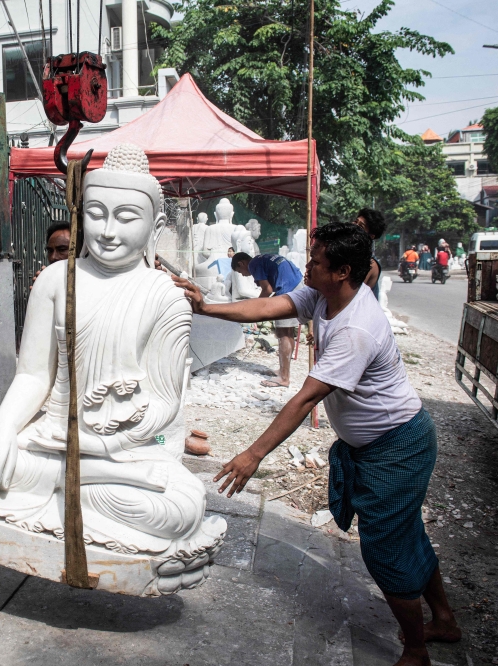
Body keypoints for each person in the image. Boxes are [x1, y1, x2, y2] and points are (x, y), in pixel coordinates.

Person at [173, 222, 460, 666]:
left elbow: (306, 397)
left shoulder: (356, 328)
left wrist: (252, 454)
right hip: (377, 444)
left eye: (315, 260)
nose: (306, 265)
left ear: (342, 270)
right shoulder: (325, 296)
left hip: (398, 445)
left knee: (386, 548)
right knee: (407, 535)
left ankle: (417, 648)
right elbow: (268, 306)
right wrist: (206, 306)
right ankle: (443, 620)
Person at [230, 251, 302, 388]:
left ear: (242, 263)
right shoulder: (262, 258)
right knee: (287, 332)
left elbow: (267, 289)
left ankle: (284, 378)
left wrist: (256, 309)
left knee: (283, 334)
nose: (243, 275)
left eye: (240, 271)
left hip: (289, 289)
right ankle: (282, 370)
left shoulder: (254, 264)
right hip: (296, 284)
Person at [353, 208, 386, 299]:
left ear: (371, 236)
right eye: (356, 222)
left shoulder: (370, 263)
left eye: (361, 226)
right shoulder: (350, 253)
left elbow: (351, 293)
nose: (355, 226)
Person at [31, 222, 72, 288]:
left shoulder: (90, 280)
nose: (53, 257)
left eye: (62, 250)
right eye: (50, 251)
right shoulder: (46, 280)